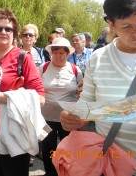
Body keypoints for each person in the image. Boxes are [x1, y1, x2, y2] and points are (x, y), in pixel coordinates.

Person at [60, 0, 136, 176]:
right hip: (112, 166)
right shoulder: (98, 58)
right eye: (126, 26)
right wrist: (73, 119)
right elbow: (85, 109)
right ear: (111, 24)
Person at [0, 8, 45, 176]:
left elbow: (40, 98)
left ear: (14, 33)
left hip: (15, 131)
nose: (3, 32)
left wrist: (3, 98)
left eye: (8, 29)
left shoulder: (22, 57)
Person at [39, 37, 83, 176]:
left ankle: (66, 173)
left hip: (68, 119)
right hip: (45, 118)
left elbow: (82, 92)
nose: (58, 56)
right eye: (55, 53)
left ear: (67, 54)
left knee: (68, 149)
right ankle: (50, 173)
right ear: (51, 53)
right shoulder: (43, 68)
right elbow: (36, 88)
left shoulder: (75, 70)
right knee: (48, 149)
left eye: (61, 53)